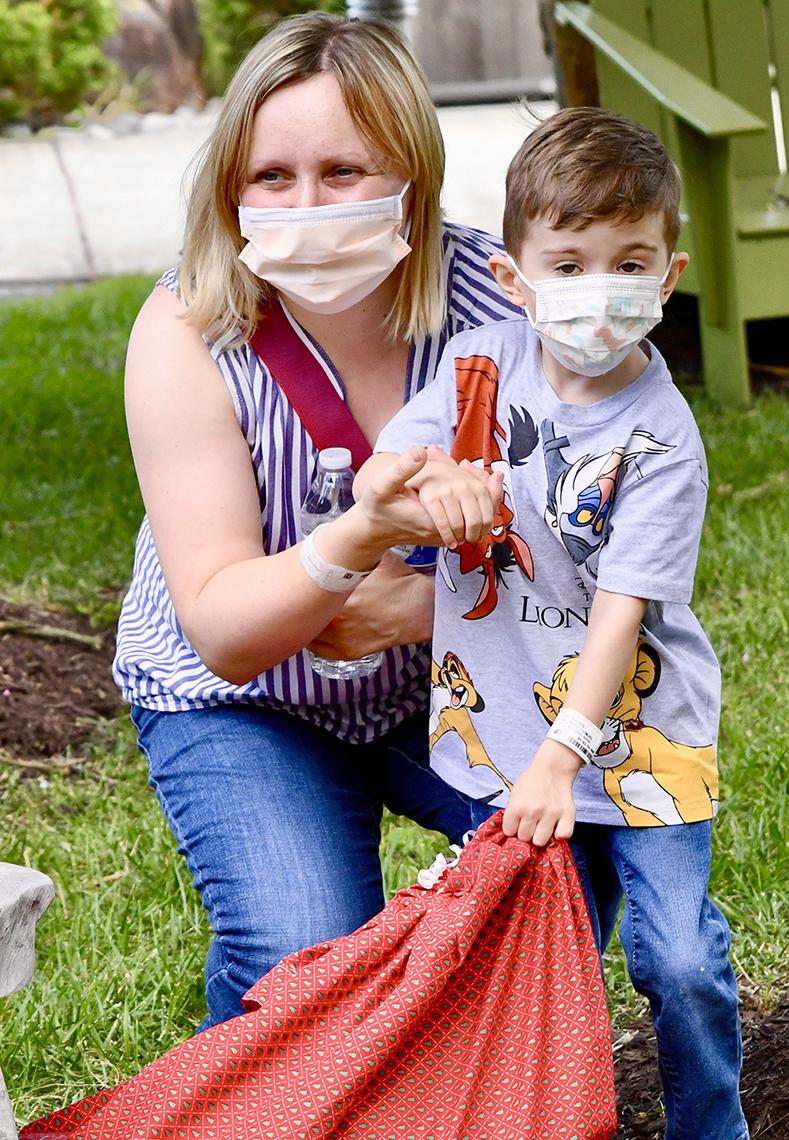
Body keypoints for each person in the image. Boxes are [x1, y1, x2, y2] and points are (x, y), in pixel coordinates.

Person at [112, 11, 517, 1031]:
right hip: (242, 702)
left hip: (446, 679)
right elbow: (224, 628)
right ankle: (241, 1102)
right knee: (301, 952)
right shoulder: (188, 328)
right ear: (229, 189)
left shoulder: (502, 310)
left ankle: (461, 1089)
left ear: (411, 176)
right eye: (271, 177)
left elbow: (608, 553)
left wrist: (419, 612)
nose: (306, 205)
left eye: (344, 172)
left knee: (576, 858)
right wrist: (350, 548)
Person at [358, 107, 748, 1140]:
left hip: (632, 745)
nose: (597, 288)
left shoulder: (659, 438)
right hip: (512, 728)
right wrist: (421, 484)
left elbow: (621, 615)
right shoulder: (478, 371)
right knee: (544, 955)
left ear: (667, 275)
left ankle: (712, 1126)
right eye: (567, 262)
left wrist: (562, 762)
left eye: (628, 260)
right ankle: (547, 1118)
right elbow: (380, 474)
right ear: (517, 275)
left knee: (673, 961)